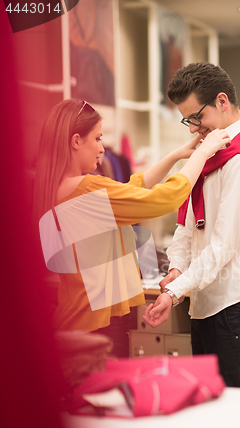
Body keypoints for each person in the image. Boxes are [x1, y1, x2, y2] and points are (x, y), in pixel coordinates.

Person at [33, 98, 230, 358]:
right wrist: (204, 154)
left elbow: (133, 188)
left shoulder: (60, 189)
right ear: (76, 141)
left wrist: (176, 155)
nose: (102, 149)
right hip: (97, 325)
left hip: (80, 319)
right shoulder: (85, 189)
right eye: (98, 139)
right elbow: (167, 199)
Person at [144, 62, 240, 389]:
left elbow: (222, 246)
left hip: (237, 303)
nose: (192, 129)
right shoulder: (211, 154)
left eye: (196, 118)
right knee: (212, 415)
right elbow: (188, 228)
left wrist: (175, 292)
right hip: (205, 303)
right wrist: (177, 268)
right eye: (186, 120)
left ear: (222, 101)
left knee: (238, 418)